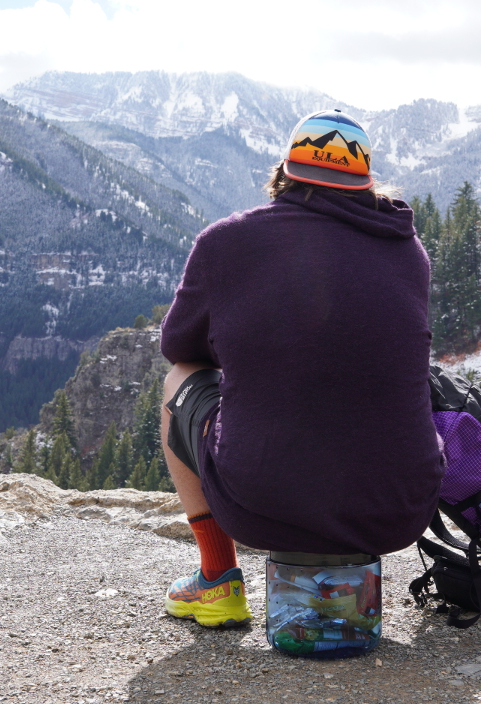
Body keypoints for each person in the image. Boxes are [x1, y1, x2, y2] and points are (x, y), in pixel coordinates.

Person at [159, 109, 444, 628]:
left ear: (285, 173)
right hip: (399, 507)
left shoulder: (224, 243)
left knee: (178, 380)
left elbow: (180, 346)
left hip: (261, 501)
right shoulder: (409, 251)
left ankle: (217, 580)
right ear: (365, 182)